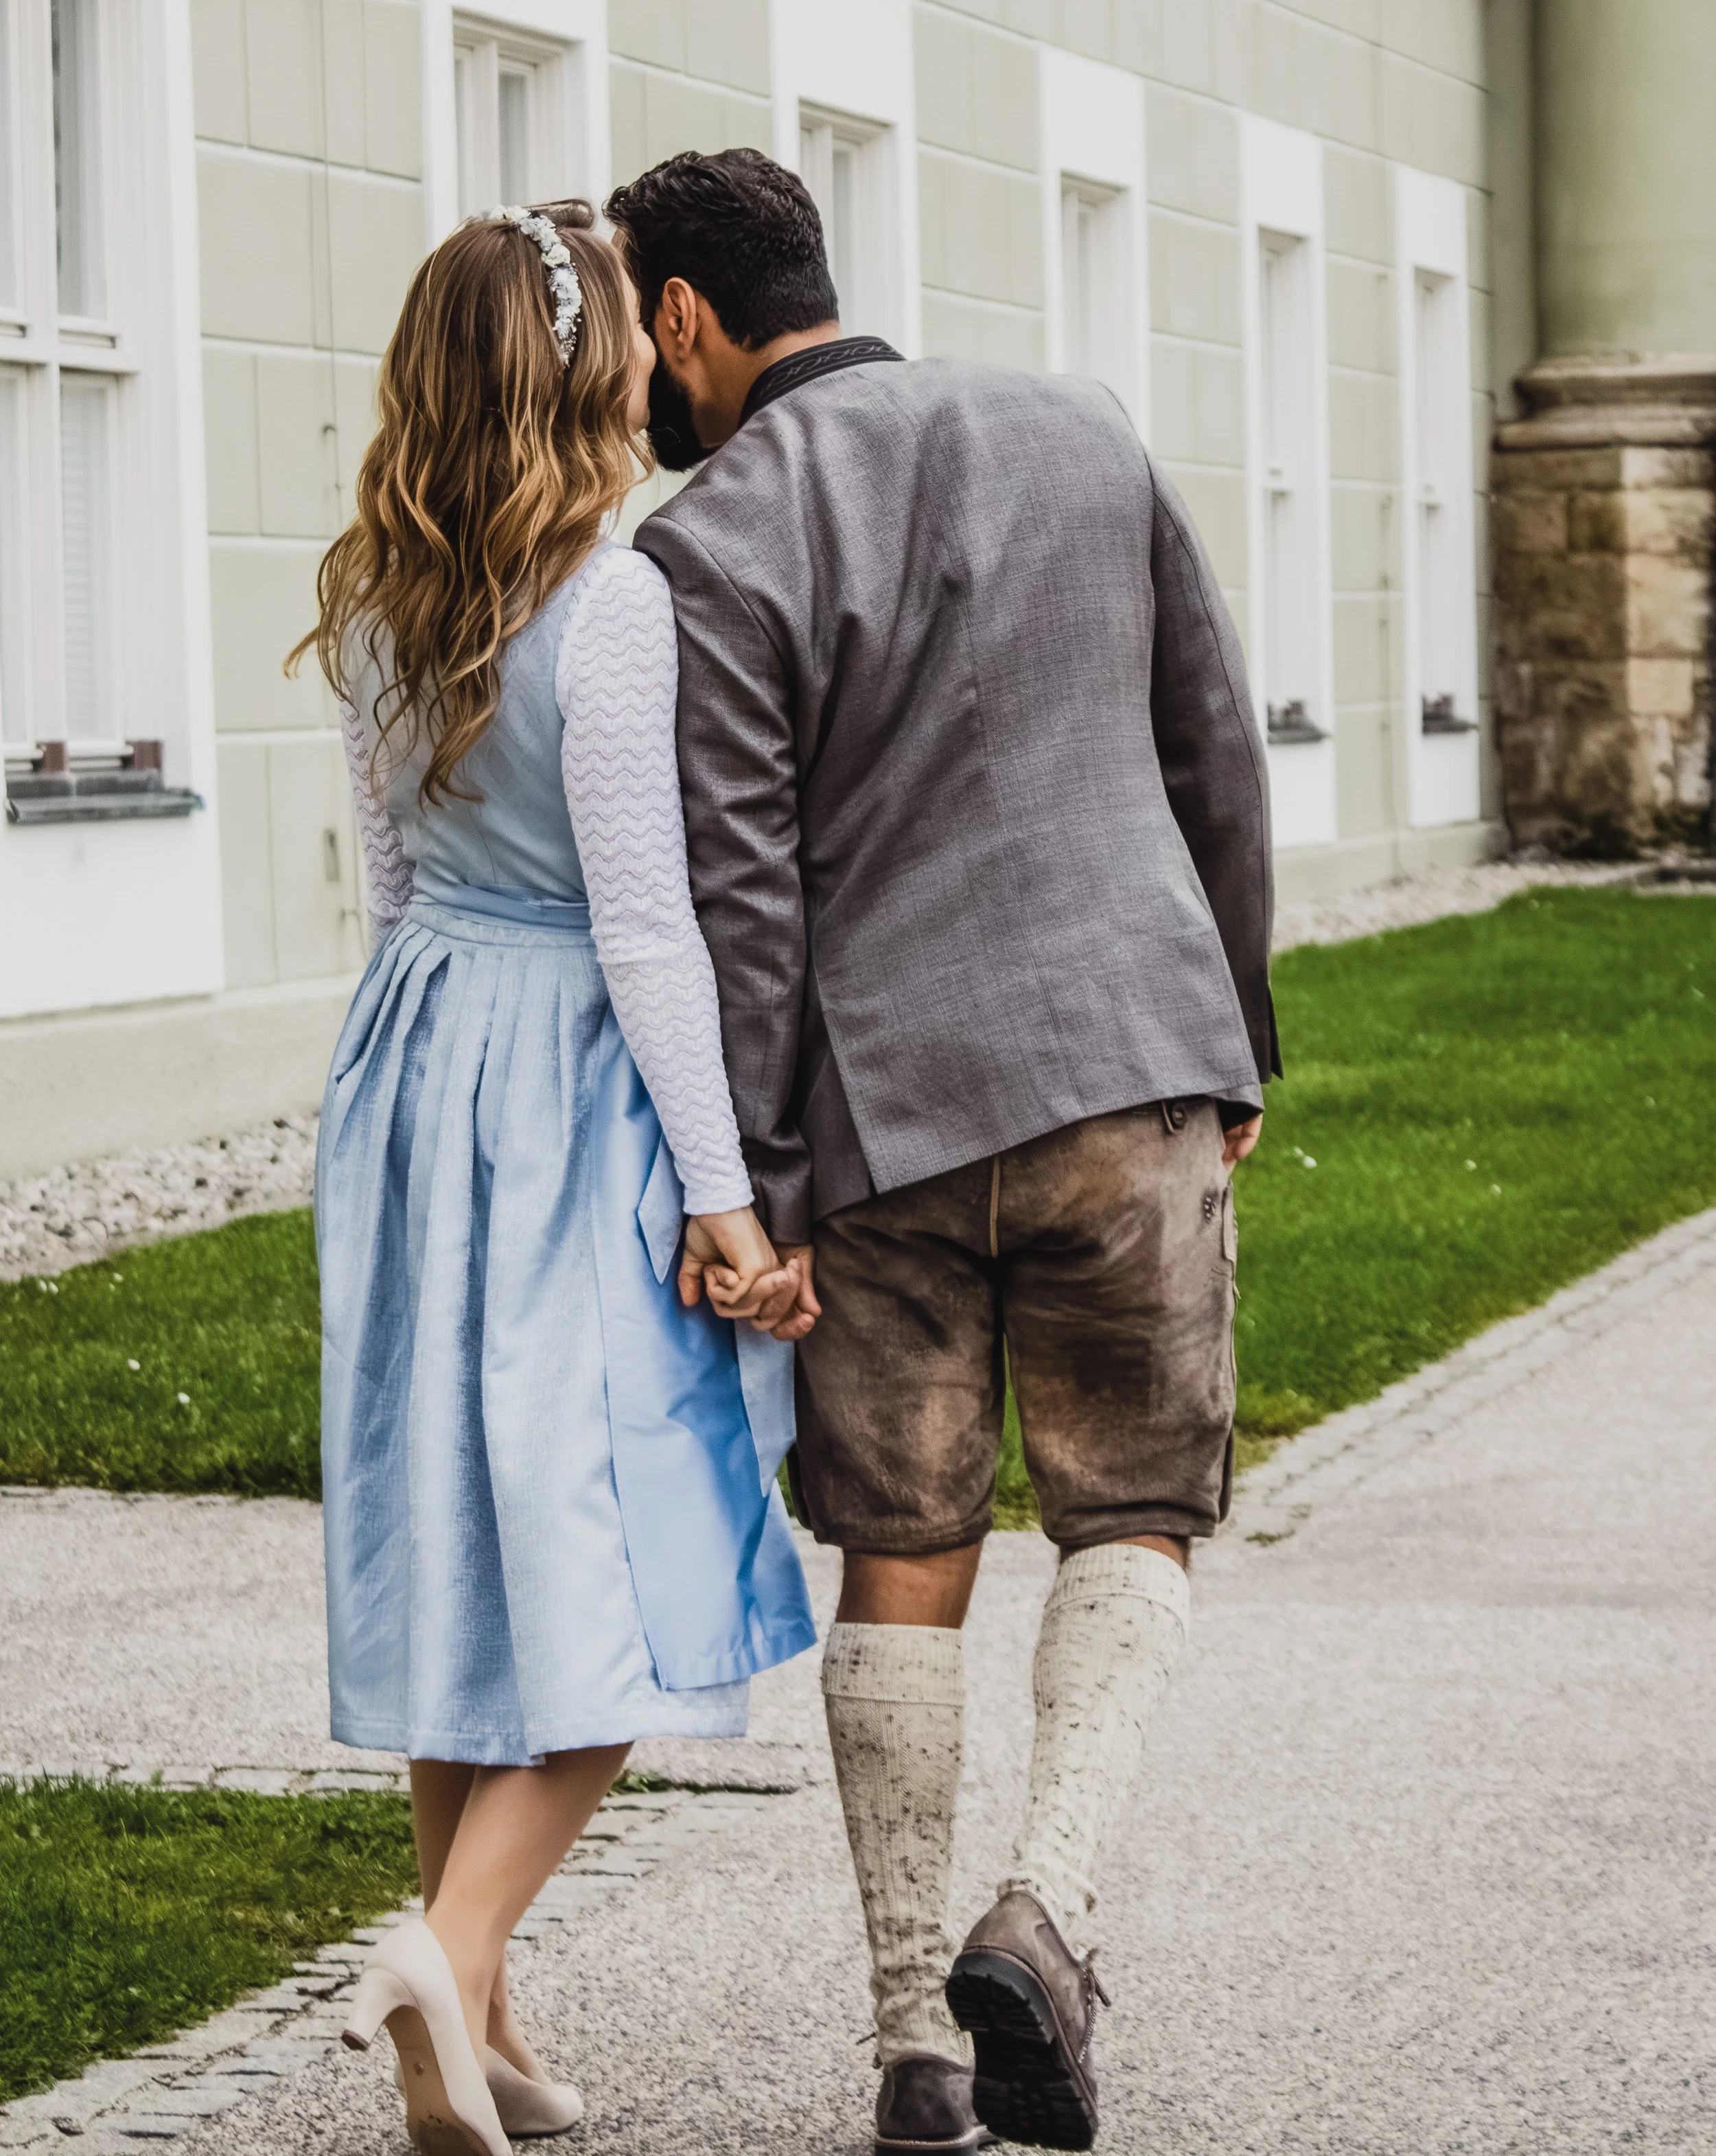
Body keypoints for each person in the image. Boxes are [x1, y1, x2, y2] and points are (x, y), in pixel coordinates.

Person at [608, 148, 1279, 2156]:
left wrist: (764, 1186)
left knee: (901, 1549)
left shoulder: (702, 543)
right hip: (1124, 1071)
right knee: (1132, 1511)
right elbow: (1209, 741)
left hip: (885, 1134)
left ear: (680, 320)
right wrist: (1231, 1022)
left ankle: (916, 2035)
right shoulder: (1081, 426)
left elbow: (737, 892)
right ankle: (1042, 1913)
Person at [293, 201, 817, 2156]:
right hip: (578, 1084)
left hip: (420, 1065)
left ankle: (484, 2014)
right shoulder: (616, 600)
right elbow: (650, 925)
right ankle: (449, 1944)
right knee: (622, 1538)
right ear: (599, 369)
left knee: (464, 1532)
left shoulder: (371, 591)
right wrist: (723, 1189)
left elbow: (396, 887)